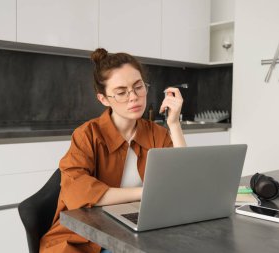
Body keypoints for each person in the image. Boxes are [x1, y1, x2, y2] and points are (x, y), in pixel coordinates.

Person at [39, 48, 187, 253]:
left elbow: (182, 183)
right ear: (104, 99)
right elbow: (77, 192)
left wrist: (174, 124)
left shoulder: (156, 134)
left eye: (138, 87)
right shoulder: (87, 135)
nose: (133, 97)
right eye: (121, 92)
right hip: (84, 238)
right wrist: (145, 193)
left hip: (139, 232)